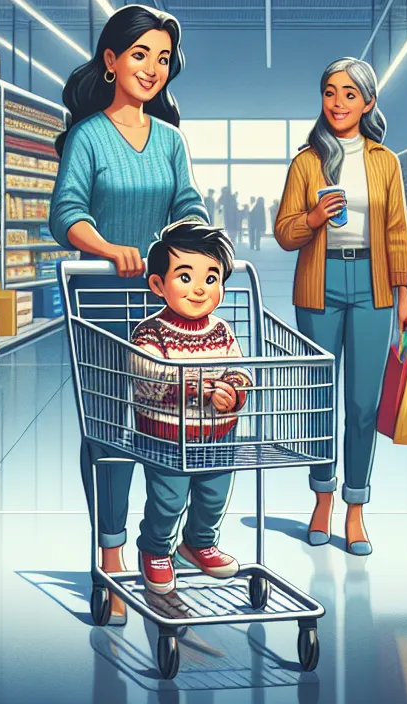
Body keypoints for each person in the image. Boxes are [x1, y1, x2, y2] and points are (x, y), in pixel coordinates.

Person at [49, 4, 207, 624]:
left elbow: (188, 203)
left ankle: (158, 546)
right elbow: (67, 212)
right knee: (110, 431)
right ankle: (111, 555)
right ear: (111, 60)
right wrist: (109, 247)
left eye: (162, 58)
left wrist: (198, 244)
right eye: (140, 54)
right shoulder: (88, 137)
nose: (152, 68)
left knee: (170, 422)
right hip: (103, 302)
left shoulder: (170, 140)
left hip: (164, 304)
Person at [275, 57, 407, 556]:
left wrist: (402, 296)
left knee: (362, 404)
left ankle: (355, 508)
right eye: (330, 92)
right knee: (320, 400)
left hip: (374, 286)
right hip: (320, 283)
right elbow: (284, 233)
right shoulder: (306, 162)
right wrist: (313, 217)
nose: (337, 103)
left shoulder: (385, 162)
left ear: (369, 102)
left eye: (350, 94)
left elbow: (397, 232)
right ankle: (321, 499)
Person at [130, 221, 252, 594]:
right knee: (168, 499)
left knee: (214, 496)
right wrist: (195, 386)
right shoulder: (150, 332)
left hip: (218, 434)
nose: (200, 288)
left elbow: (239, 367)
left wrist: (233, 390)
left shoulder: (222, 330)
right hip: (166, 436)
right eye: (185, 277)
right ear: (157, 285)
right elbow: (147, 373)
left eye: (211, 278)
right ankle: (155, 550)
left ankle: (198, 543)